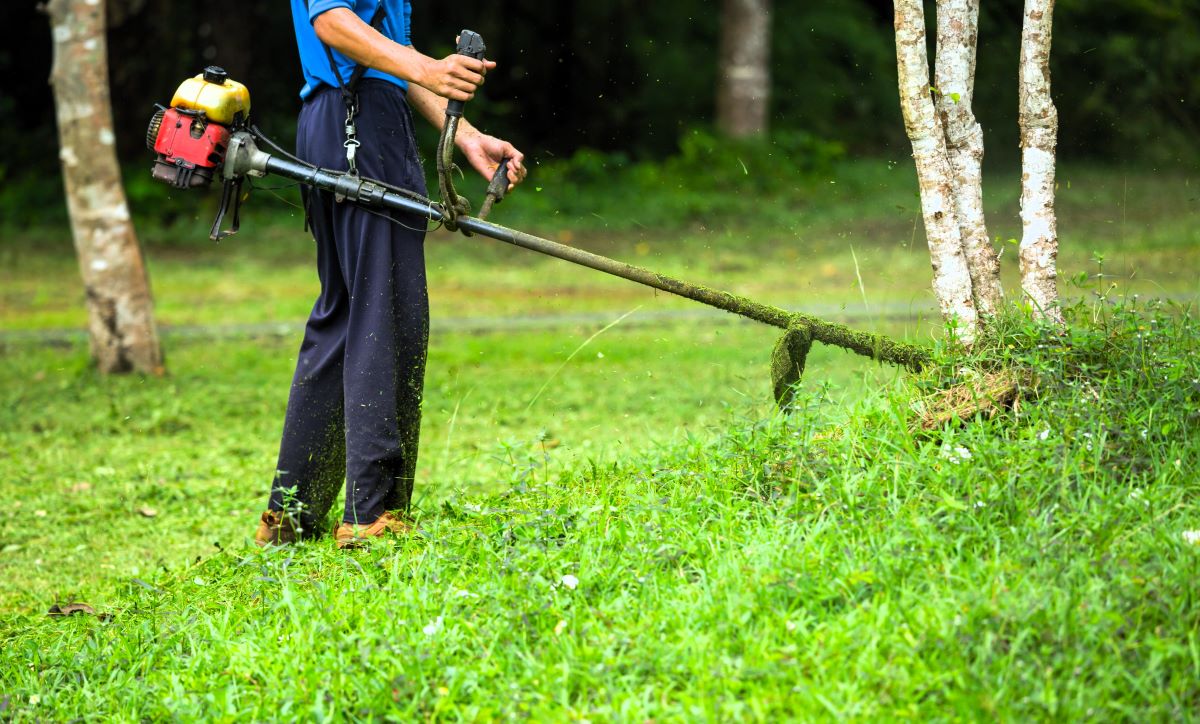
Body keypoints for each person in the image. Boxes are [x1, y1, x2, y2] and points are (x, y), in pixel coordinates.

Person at [255, 0, 526, 548]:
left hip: (343, 121)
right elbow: (331, 24)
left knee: (345, 316)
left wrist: (466, 135)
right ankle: (372, 515)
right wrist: (428, 66)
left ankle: (292, 512)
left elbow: (387, 61)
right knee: (388, 311)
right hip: (359, 127)